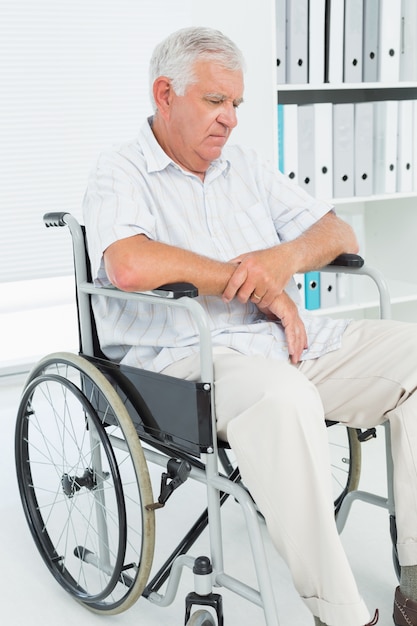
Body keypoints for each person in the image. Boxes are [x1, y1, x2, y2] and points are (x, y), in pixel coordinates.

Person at [82, 26, 417, 626]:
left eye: (237, 104)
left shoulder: (246, 167)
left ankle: (415, 577)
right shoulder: (120, 170)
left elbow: (339, 232)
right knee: (285, 398)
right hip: (185, 361)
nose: (230, 119)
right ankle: (340, 614)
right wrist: (253, 284)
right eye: (215, 102)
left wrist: (280, 262)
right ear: (165, 94)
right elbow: (129, 264)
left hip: (284, 346)